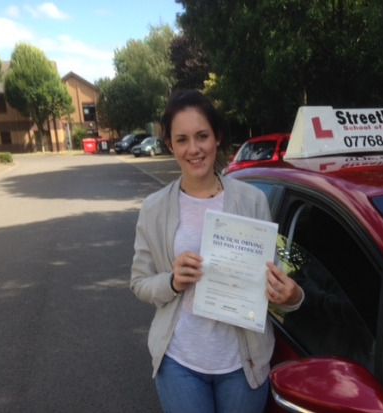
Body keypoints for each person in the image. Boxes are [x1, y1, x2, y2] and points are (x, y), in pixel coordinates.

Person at [130, 89, 304, 413]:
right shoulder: (154, 209)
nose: (193, 149)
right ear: (169, 144)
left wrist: (291, 296)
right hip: (180, 360)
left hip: (242, 363)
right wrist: (172, 282)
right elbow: (139, 282)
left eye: (202, 136)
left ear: (217, 138)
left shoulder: (252, 200)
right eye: (181, 140)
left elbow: (274, 282)